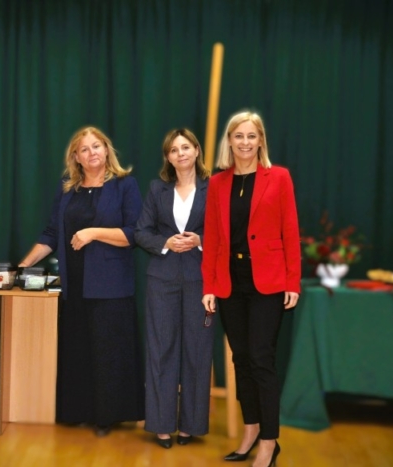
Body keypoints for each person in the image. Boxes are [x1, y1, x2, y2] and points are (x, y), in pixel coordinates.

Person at [18, 126, 144, 436]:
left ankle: (106, 417)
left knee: (107, 352)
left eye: (96, 146)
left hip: (111, 286)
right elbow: (52, 233)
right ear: (76, 157)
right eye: (84, 149)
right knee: (78, 350)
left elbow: (135, 233)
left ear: (107, 149)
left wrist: (93, 233)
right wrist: (23, 265)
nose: (92, 153)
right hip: (73, 284)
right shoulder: (67, 188)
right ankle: (78, 411)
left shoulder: (124, 185)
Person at [201, 111, 300, 467]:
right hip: (231, 281)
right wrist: (209, 285)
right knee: (240, 360)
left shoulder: (279, 177)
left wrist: (292, 280)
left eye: (251, 136)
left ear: (260, 141)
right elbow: (213, 237)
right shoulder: (218, 183)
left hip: (268, 281)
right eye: (238, 136)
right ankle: (251, 430)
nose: (245, 142)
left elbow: (290, 230)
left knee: (260, 359)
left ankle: (269, 443)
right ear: (229, 141)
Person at [134, 128, 212, 449]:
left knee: (197, 351)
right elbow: (141, 232)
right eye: (174, 150)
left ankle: (191, 425)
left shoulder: (213, 187)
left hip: (201, 280)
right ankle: (162, 424)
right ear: (168, 157)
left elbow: (225, 232)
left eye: (185, 147)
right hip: (161, 279)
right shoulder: (157, 189)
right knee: (161, 350)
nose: (180, 154)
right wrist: (165, 242)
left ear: (196, 150)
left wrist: (200, 240)